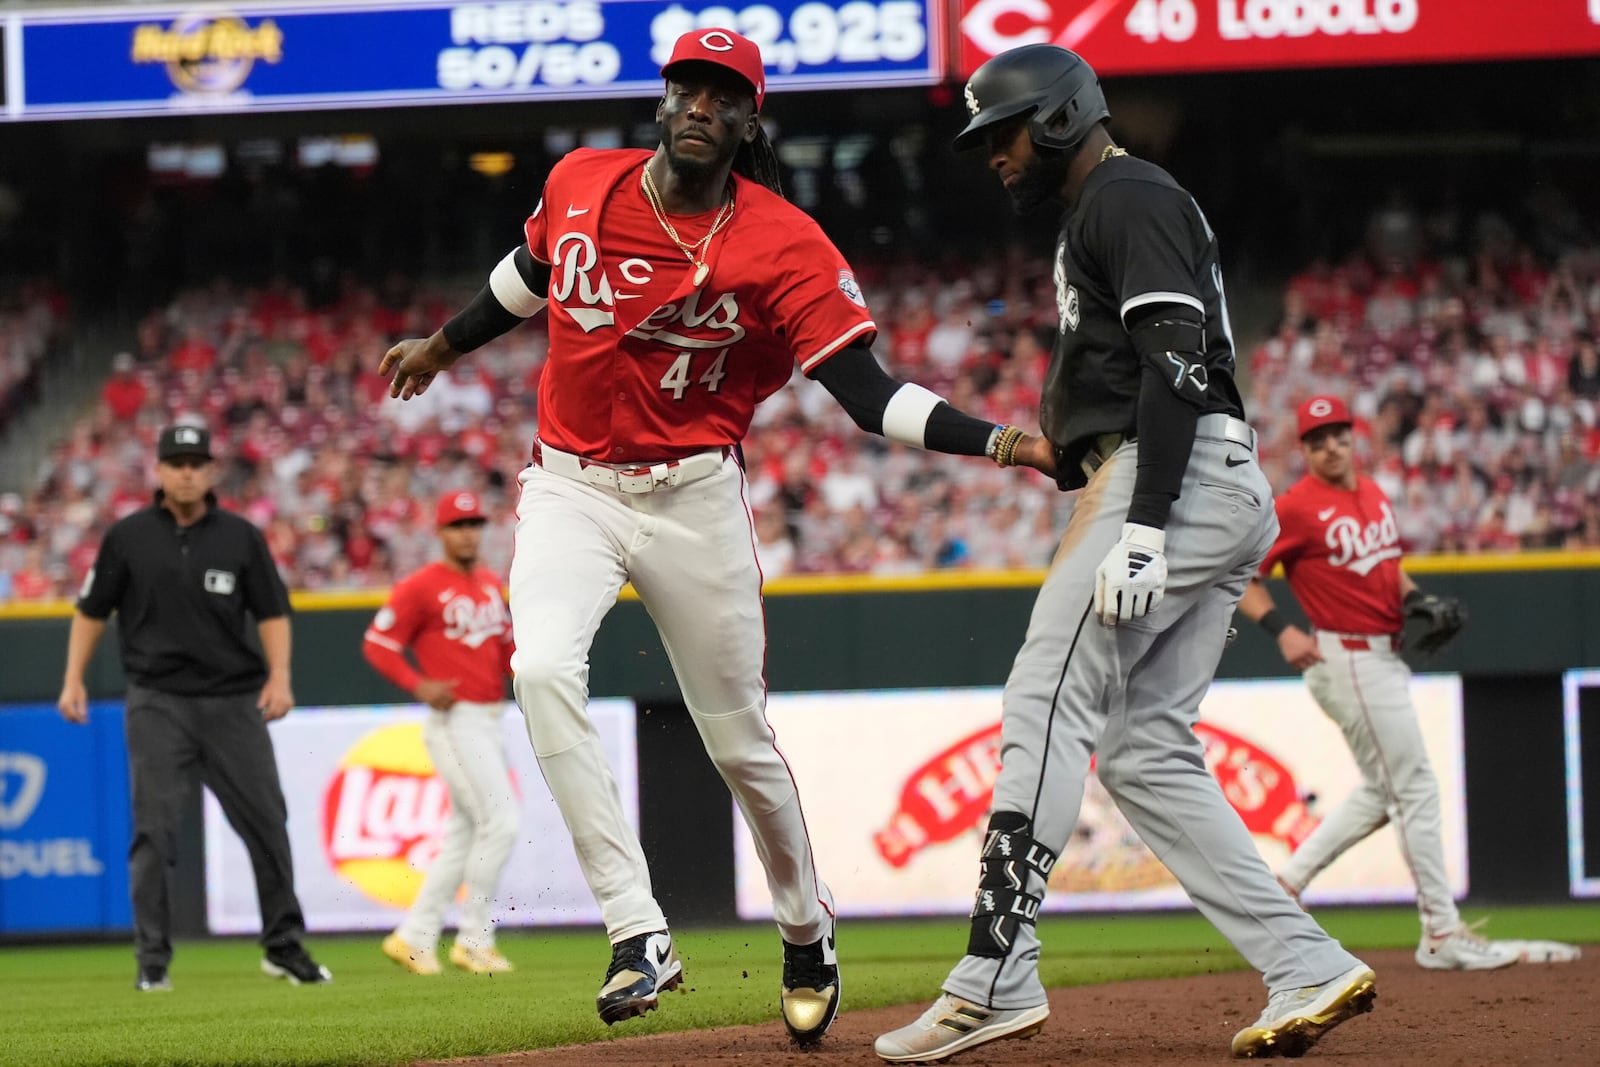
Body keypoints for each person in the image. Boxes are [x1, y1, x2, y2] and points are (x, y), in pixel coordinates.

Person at [378, 27, 1053, 1043]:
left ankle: (802, 922)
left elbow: (867, 396)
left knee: (739, 743)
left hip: (693, 497)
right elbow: (528, 272)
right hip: (569, 485)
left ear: (749, 121)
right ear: (664, 101)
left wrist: (1002, 440)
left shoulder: (784, 242)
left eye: (723, 94)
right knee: (542, 671)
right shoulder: (579, 181)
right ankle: (636, 926)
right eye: (688, 86)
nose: (701, 105)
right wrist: (440, 343)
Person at [874, 46, 1374, 1064]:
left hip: (1171, 476)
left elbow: (1179, 361)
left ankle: (993, 977)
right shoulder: (1109, 206)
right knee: (1144, 747)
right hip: (1198, 476)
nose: (993, 156)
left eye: (1002, 133)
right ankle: (1305, 961)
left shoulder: (1124, 194)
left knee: (1043, 700)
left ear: (1058, 117)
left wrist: (1143, 522)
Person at [1235, 394, 1575, 970]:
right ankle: (1441, 931)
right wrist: (1282, 630)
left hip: (1381, 658)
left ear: (1353, 438)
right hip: (1348, 659)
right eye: (1318, 439)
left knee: (1383, 790)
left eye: (1339, 435)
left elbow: (1387, 567)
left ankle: (1283, 886)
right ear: (1306, 450)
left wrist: (1419, 601)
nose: (1332, 446)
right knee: (1415, 787)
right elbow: (1243, 576)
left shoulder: (1370, 492)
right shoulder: (1295, 507)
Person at [56, 424, 331, 991]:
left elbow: (273, 612)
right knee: (153, 832)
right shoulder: (127, 537)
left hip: (233, 700)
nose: (185, 471)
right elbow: (91, 609)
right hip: (158, 702)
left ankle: (283, 948)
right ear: (158, 471)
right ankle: (152, 963)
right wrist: (72, 679)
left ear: (211, 471)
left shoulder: (241, 536)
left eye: (195, 462)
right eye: (176, 462)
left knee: (267, 824)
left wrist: (280, 677)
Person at [364, 490, 519, 976]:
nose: (467, 533)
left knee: (465, 833)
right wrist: (417, 683)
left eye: (474, 523)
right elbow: (378, 644)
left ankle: (414, 937)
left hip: (490, 717)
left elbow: (507, 649)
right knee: (502, 821)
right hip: (455, 720)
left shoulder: (492, 584)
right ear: (441, 532)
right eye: (458, 525)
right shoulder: (422, 586)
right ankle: (474, 939)